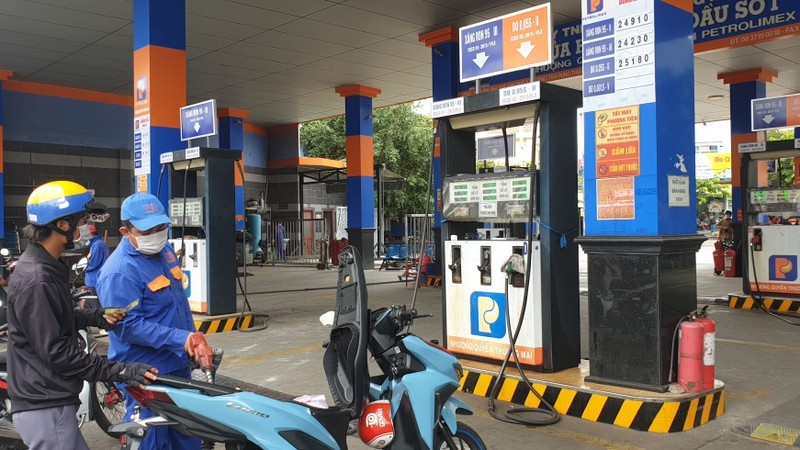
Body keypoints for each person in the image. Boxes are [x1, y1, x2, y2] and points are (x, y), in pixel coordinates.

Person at [7, 181, 157, 450]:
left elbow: (55, 318)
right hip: (45, 404)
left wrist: (97, 316)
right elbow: (58, 353)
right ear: (62, 224)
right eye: (82, 221)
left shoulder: (49, 266)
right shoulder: (38, 280)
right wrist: (121, 370)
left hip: (51, 400)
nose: (86, 227)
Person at [96, 192, 201, 450]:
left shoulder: (165, 252)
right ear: (126, 231)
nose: (156, 234)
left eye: (160, 227)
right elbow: (127, 325)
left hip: (177, 366)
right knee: (151, 441)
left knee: (188, 438)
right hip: (145, 374)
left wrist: (193, 343)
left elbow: (179, 304)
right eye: (147, 231)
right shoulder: (119, 272)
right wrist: (183, 339)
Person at [83, 223, 110, 295]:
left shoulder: (97, 245)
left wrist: (83, 267)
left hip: (94, 280)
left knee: (94, 301)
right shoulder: (100, 244)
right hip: (97, 279)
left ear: (90, 234)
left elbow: (93, 263)